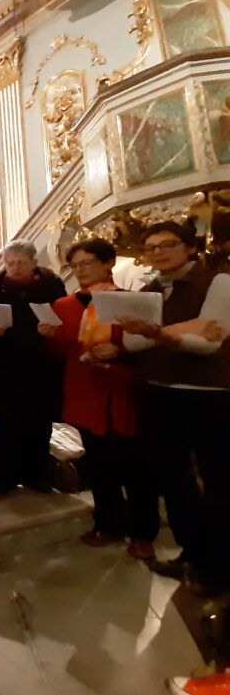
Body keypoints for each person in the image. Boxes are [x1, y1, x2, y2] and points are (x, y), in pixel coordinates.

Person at [121, 221, 230, 595]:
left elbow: (210, 343)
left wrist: (158, 333)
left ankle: (219, 570)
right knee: (174, 481)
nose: (158, 252)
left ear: (190, 248)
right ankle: (193, 554)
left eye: (167, 244)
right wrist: (187, 328)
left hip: (208, 395)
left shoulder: (219, 283)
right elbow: (131, 344)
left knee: (218, 483)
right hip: (158, 394)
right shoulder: (148, 291)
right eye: (151, 247)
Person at [40, 239, 158, 558]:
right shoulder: (64, 306)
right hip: (86, 395)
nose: (80, 270)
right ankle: (108, 525)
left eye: (86, 263)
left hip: (124, 393)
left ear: (108, 263)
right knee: (100, 467)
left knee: (137, 470)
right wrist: (49, 338)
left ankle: (143, 533)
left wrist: (119, 351)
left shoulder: (131, 301)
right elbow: (61, 352)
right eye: (74, 266)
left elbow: (150, 347)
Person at [0, 240, 65, 494]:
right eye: (10, 263)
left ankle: (37, 475)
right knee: (6, 425)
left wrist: (53, 330)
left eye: (21, 263)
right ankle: (5, 476)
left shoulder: (52, 285)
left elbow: (63, 319)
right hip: (4, 366)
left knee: (39, 423)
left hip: (40, 364)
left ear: (34, 263)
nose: (15, 268)